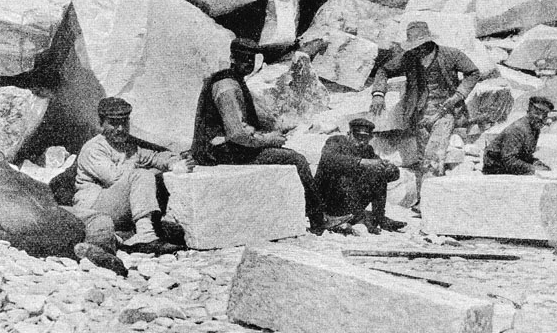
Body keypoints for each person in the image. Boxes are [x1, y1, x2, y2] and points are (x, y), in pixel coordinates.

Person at [0, 105, 126, 276]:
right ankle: (97, 252)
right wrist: (57, 221)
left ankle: (86, 250)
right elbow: (13, 209)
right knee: (97, 219)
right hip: (28, 229)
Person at [190, 37, 349, 234]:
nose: (247, 63)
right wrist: (269, 139)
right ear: (232, 58)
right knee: (296, 159)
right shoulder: (228, 87)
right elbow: (237, 134)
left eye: (250, 59)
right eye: (242, 59)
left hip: (222, 147)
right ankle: (319, 218)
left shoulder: (231, 79)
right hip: (220, 152)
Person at [369, 21, 480, 208]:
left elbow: (473, 72)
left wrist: (458, 96)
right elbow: (383, 70)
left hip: (445, 113)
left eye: (419, 46)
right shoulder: (409, 57)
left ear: (428, 42)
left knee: (433, 155)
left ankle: (431, 204)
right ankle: (424, 202)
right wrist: (378, 94)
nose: (417, 50)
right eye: (414, 47)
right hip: (419, 115)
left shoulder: (451, 54)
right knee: (422, 159)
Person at [75, 97, 187, 255]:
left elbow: (155, 157)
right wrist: (145, 168)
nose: (120, 128)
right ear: (101, 123)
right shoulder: (94, 149)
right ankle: (145, 235)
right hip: (93, 209)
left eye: (124, 122)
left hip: (115, 209)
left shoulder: (128, 146)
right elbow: (115, 178)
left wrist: (174, 163)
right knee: (142, 174)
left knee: (173, 230)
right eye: (113, 123)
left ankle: (128, 236)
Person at [315, 118, 407, 234]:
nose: (362, 142)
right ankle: (337, 219)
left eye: (366, 139)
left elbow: (388, 174)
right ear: (349, 134)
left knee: (378, 175)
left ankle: (379, 218)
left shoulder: (367, 150)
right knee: (343, 175)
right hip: (328, 200)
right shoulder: (336, 141)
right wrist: (363, 162)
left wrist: (389, 169)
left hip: (349, 200)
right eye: (358, 137)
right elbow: (328, 159)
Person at [483, 96, 554, 175]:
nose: (540, 118)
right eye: (537, 113)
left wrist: (536, 163)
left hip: (509, 166)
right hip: (496, 169)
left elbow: (524, 155)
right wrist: (533, 168)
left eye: (544, 115)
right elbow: (509, 160)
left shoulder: (534, 128)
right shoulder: (518, 129)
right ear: (528, 112)